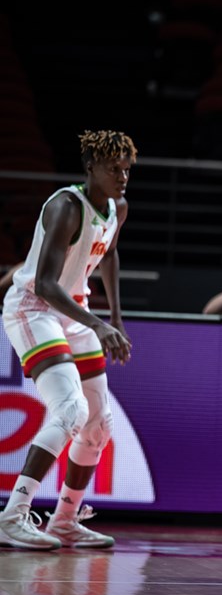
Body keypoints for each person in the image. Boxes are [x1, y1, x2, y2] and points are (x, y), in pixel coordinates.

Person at [0, 130, 136, 550]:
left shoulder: (117, 207)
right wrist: (97, 325)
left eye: (127, 169)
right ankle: (13, 516)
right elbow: (43, 283)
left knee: (99, 422)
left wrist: (114, 318)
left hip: (73, 310)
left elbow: (108, 253)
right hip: (33, 308)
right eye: (114, 168)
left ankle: (64, 519)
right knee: (70, 408)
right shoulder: (65, 206)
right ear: (90, 167)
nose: (123, 176)